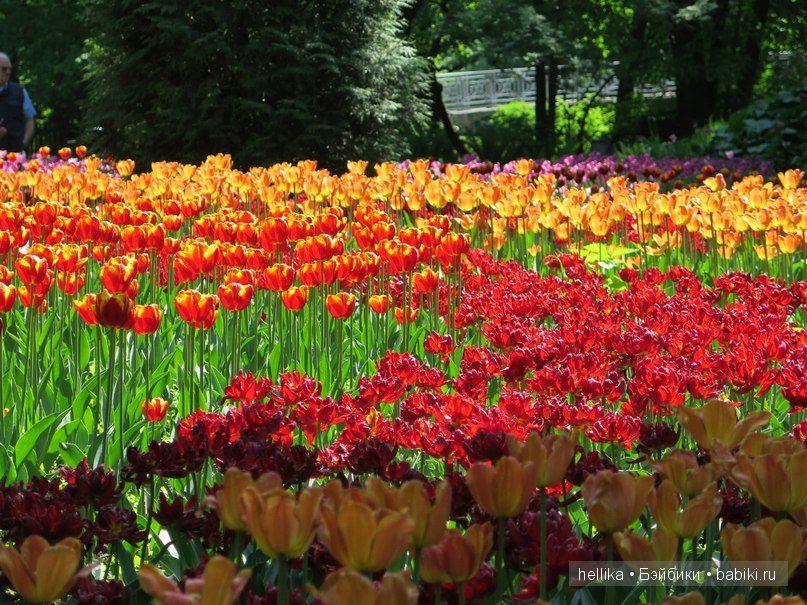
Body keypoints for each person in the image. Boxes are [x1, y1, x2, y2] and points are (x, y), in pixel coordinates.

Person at [0, 52, 36, 152]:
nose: (8, 72)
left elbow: (30, 119)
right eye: (4, 69)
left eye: (10, 69)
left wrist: (24, 142)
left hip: (15, 154)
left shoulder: (19, 91)